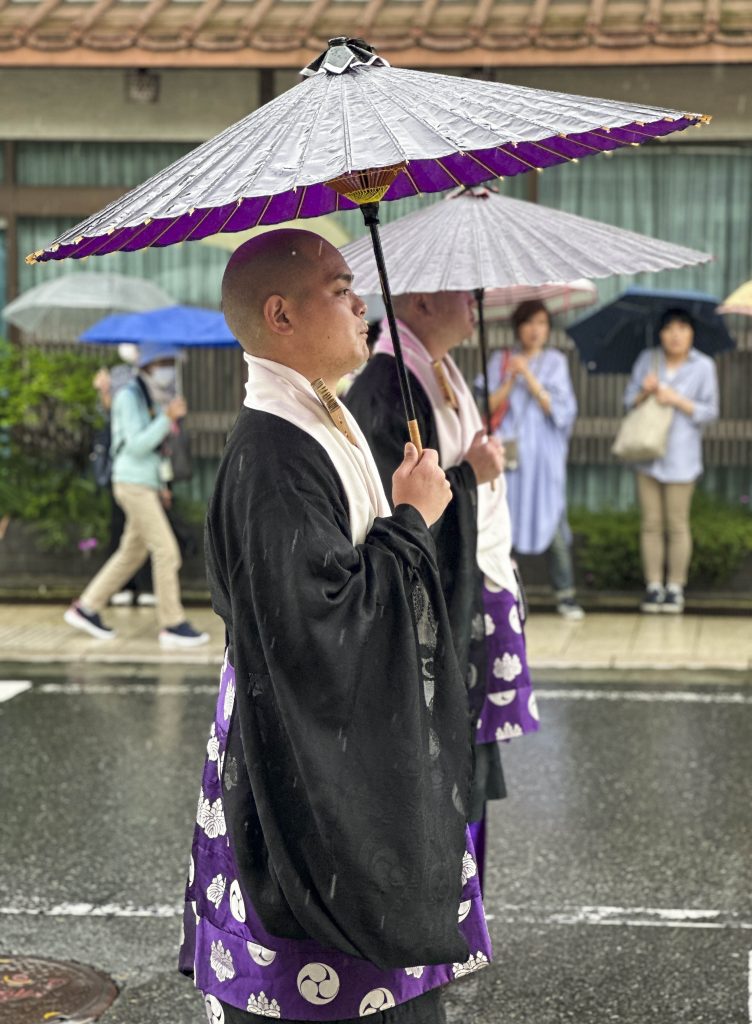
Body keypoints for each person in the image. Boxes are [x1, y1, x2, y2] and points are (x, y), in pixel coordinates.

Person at [179, 230, 491, 1024]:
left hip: (320, 731)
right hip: (302, 748)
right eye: (341, 289)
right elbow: (322, 627)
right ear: (279, 315)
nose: (362, 307)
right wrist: (414, 521)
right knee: (323, 976)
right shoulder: (274, 454)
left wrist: (411, 508)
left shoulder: (313, 414)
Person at [346, 291, 540, 881]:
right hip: (443, 604)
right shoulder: (388, 384)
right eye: (462, 289)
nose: (475, 300)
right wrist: (469, 475)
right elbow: (402, 514)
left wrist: (476, 468)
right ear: (425, 300)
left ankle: (466, 901)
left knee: (469, 759)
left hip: (471, 586)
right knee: (447, 763)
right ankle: (450, 901)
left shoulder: (435, 368)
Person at [64, 344, 209, 648]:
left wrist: (161, 484)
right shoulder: (128, 396)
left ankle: (87, 607)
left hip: (145, 483)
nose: (168, 368)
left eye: (171, 361)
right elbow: (136, 446)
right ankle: (172, 623)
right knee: (166, 551)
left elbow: (155, 450)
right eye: (163, 361)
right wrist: (166, 418)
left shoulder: (147, 395)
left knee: (132, 552)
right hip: (132, 483)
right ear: (149, 364)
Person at [484, 300, 584, 621]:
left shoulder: (555, 362)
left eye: (541, 323)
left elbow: (563, 412)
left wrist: (528, 375)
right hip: (509, 457)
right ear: (518, 328)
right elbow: (485, 408)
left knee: (552, 519)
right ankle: (504, 592)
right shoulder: (500, 360)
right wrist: (510, 379)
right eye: (528, 322)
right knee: (504, 520)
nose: (535, 330)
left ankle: (566, 594)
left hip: (544, 458)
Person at [624, 309, 720, 614]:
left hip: (682, 456)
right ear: (660, 334)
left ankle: (675, 587)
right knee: (651, 524)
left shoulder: (703, 366)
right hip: (647, 453)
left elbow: (710, 412)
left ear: (692, 333)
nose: (675, 335)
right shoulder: (647, 359)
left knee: (677, 524)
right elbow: (627, 401)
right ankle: (654, 586)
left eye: (682, 328)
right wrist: (645, 391)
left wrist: (676, 400)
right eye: (669, 329)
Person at [91, 347, 155, 607]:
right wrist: (104, 391)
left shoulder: (144, 380)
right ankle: (118, 592)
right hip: (128, 471)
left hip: (145, 474)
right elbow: (115, 417)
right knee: (155, 546)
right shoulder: (122, 381)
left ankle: (89, 604)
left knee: (137, 543)